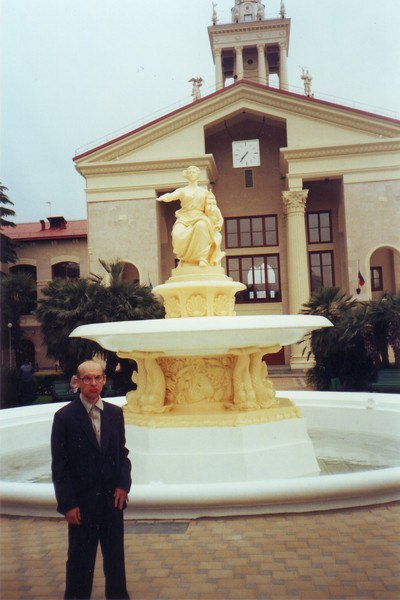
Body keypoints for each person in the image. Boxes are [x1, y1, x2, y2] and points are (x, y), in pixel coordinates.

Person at [51, 360, 132, 599]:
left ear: (104, 380)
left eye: (98, 378)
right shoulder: (65, 417)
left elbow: (122, 455)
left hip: (112, 502)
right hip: (82, 506)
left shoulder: (115, 414)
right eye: (87, 378)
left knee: (115, 562)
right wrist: (68, 504)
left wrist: (123, 485)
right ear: (77, 382)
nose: (93, 383)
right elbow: (60, 467)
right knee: (79, 563)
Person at [157, 165, 225, 267]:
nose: (192, 174)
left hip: (199, 217)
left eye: (194, 172)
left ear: (198, 175)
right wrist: (163, 197)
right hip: (184, 218)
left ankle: (202, 258)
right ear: (187, 175)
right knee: (176, 234)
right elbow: (172, 196)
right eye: (189, 172)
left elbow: (212, 206)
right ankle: (183, 258)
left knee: (201, 226)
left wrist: (219, 219)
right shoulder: (182, 190)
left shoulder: (204, 192)